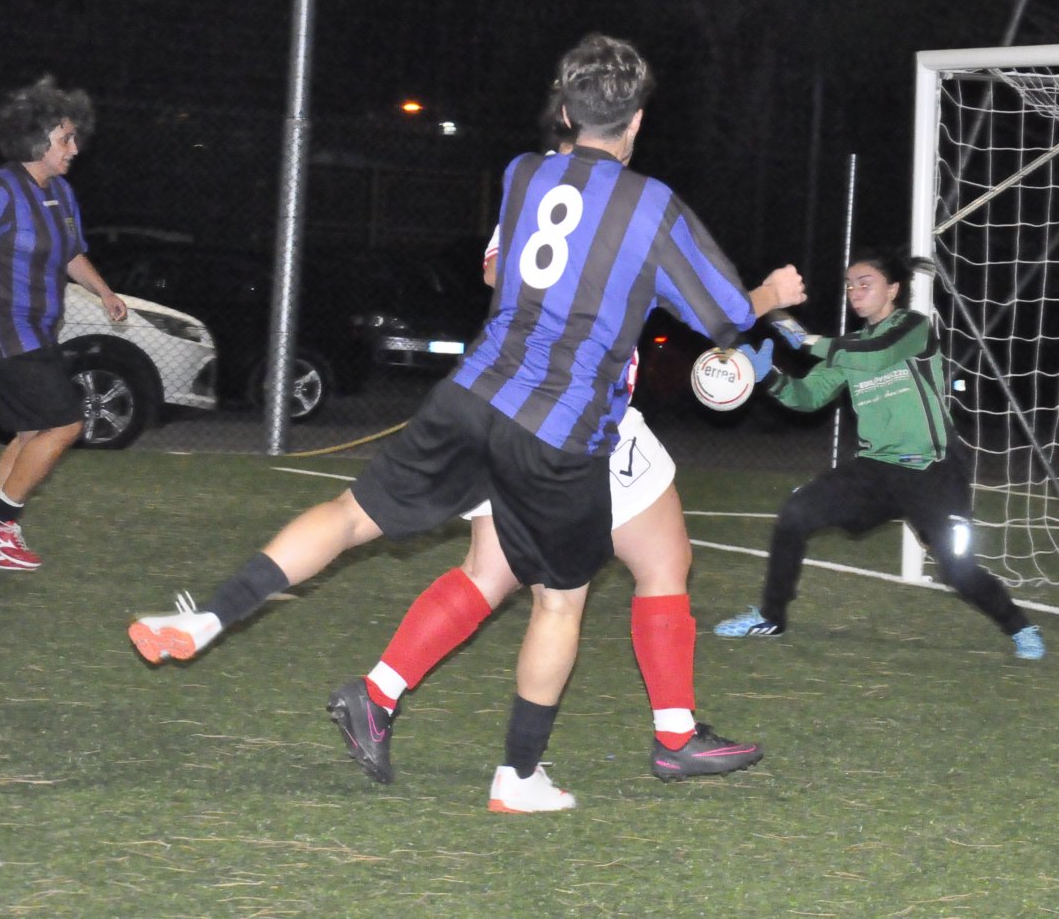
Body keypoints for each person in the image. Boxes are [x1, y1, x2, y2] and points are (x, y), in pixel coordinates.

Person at [128, 33, 805, 813]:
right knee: (562, 596)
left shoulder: (522, 175)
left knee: (359, 519)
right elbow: (720, 314)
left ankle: (213, 614)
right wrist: (770, 294)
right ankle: (524, 775)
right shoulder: (649, 204)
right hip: (562, 426)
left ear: (563, 107)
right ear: (639, 120)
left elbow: (498, 268)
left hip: (472, 395)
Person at [326, 87, 779, 790]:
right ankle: (669, 737)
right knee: (655, 562)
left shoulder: (534, 184)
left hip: (505, 404)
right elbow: (709, 304)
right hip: (575, 416)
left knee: (492, 570)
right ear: (622, 124)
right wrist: (765, 296)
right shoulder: (625, 201)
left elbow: (496, 270)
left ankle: (379, 694)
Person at [714, 249, 1045, 660]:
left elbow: (877, 353)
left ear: (893, 289)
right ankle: (771, 616)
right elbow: (808, 397)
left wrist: (797, 334)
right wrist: (769, 376)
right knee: (795, 515)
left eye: (865, 283)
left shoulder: (912, 328)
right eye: (850, 285)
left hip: (933, 470)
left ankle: (1020, 627)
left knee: (957, 569)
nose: (855, 291)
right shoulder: (848, 348)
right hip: (875, 469)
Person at [0, 77, 129, 571]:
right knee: (66, 422)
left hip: (37, 331)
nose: (74, 148)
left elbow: (72, 255)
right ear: (36, 139)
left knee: (29, 433)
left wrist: (105, 292)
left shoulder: (60, 194)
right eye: (65, 138)